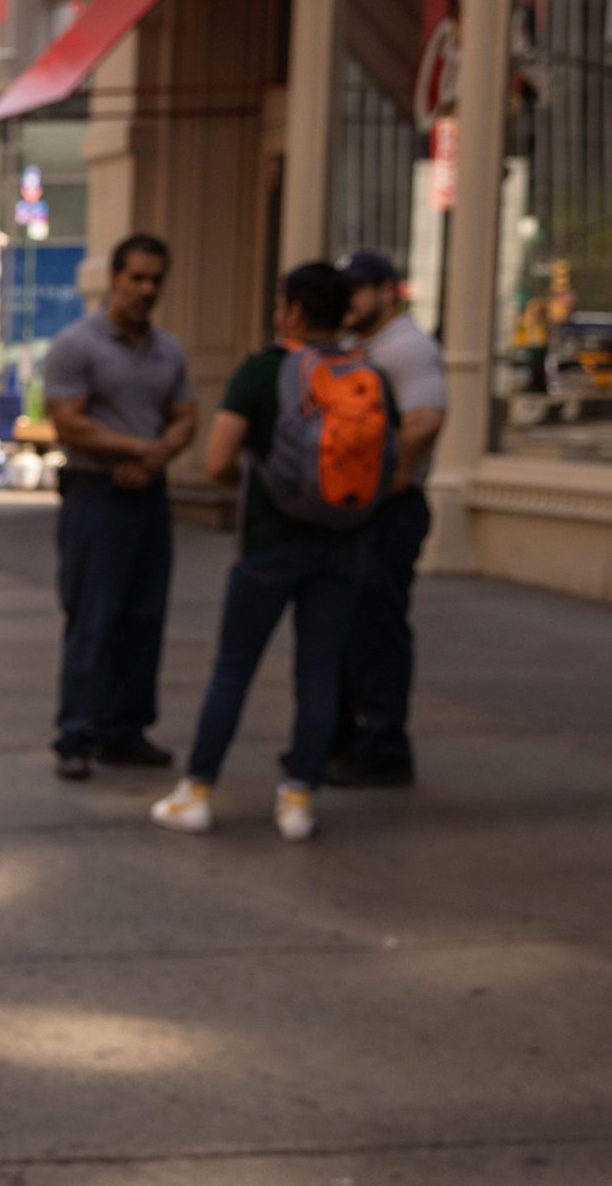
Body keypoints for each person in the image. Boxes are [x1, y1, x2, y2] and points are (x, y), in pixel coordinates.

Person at [151, 261, 394, 844]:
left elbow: (215, 461)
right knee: (318, 672)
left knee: (234, 668)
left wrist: (264, 486)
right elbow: (391, 461)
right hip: (342, 543)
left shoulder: (264, 371)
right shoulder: (368, 376)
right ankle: (298, 800)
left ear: (294, 311)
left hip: (269, 543)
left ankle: (198, 791)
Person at [43, 233, 198, 779]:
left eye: (156, 279)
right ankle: (77, 733)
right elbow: (68, 420)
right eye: (137, 278)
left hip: (148, 495)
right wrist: (139, 448)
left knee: (144, 614)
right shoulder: (76, 344)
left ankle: (125, 730)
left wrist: (157, 459)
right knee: (94, 615)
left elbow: (185, 415)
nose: (146, 289)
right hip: (96, 494)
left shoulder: (168, 350)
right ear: (114, 279)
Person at [330, 249, 446, 788]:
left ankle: (384, 745)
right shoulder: (361, 346)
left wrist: (384, 477)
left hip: (390, 510)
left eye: (357, 289)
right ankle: (349, 739)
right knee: (348, 627)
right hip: (360, 510)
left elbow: (425, 421)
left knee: (377, 630)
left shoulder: (407, 348)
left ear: (386, 290)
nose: (348, 299)